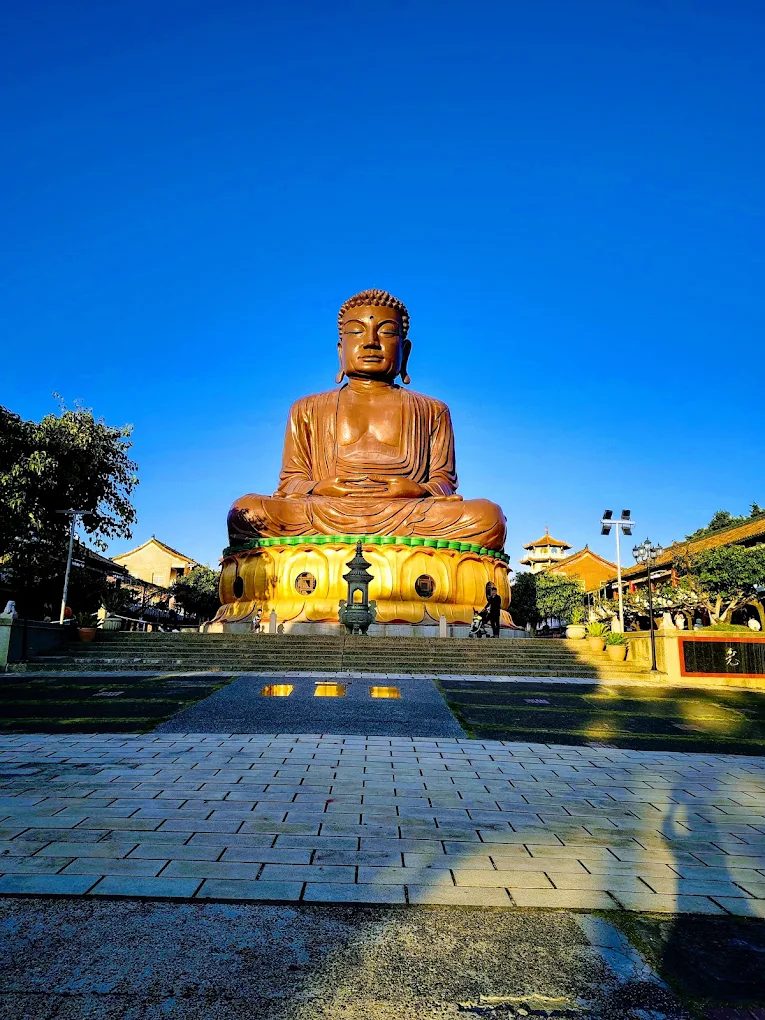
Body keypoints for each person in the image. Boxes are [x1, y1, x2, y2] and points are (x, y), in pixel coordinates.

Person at [227, 289, 507, 549]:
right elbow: (291, 482)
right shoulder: (307, 409)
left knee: (487, 517)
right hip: (324, 511)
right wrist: (318, 487)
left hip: (409, 514)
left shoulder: (432, 410)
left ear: (405, 351)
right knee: (248, 512)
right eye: (357, 332)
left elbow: (444, 483)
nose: (371, 342)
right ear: (341, 350)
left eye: (386, 332)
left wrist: (418, 489)